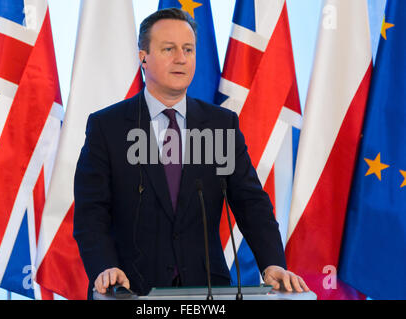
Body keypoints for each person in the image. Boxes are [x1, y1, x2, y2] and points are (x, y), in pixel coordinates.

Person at [74, 8, 309, 299]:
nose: (181, 58)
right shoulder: (106, 127)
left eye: (188, 49)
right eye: (168, 49)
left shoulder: (221, 124)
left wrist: (272, 262)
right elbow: (90, 213)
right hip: (129, 289)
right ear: (143, 56)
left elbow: (251, 203)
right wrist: (105, 267)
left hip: (208, 291)